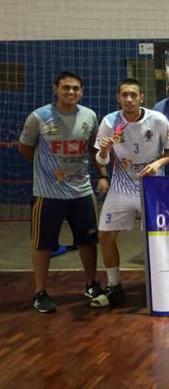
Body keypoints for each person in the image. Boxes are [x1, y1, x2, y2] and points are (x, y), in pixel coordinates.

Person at [18, 71, 103, 313]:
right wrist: (47, 171)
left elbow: (92, 148)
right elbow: (25, 148)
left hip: (82, 192)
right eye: (66, 88)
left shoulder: (89, 116)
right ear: (56, 89)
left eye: (76, 88)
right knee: (43, 244)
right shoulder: (39, 117)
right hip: (48, 194)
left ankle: (91, 283)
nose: (71, 92)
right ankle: (40, 292)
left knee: (88, 241)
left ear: (82, 91)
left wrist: (103, 175)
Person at [91, 79, 169, 307]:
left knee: (158, 238)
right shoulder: (110, 122)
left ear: (141, 97)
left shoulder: (157, 119)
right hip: (121, 185)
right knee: (106, 235)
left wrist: (158, 164)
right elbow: (101, 160)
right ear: (118, 98)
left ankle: (163, 283)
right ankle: (114, 286)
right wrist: (104, 150)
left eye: (133, 95)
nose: (129, 99)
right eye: (124, 95)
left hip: (151, 185)